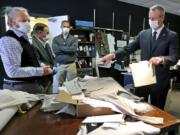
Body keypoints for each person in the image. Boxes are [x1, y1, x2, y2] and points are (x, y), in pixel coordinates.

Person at [101, 5, 179, 110]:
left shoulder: (171, 36)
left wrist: (162, 59)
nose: (150, 21)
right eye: (149, 18)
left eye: (153, 19)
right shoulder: (143, 34)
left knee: (157, 111)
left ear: (162, 17)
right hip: (142, 79)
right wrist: (113, 55)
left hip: (160, 81)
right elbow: (128, 48)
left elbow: (174, 57)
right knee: (139, 109)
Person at [0, 7, 52, 93]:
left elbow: (27, 59)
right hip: (19, 88)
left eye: (28, 20)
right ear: (11, 22)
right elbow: (13, 71)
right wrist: (40, 71)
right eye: (23, 21)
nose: (27, 24)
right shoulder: (9, 40)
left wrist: (40, 65)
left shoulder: (23, 37)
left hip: (30, 85)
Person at [52, 20, 78, 92]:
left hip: (71, 64)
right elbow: (55, 50)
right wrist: (67, 49)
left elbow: (73, 49)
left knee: (73, 84)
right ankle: (60, 98)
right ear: (61, 27)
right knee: (59, 84)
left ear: (70, 28)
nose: (66, 28)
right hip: (60, 65)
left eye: (67, 27)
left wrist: (61, 48)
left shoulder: (74, 39)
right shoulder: (56, 39)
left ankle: (72, 100)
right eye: (64, 26)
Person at [32, 23, 56, 93]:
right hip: (41, 79)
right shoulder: (33, 45)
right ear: (40, 32)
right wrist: (49, 68)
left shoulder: (46, 44)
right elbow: (37, 61)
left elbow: (52, 57)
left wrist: (54, 66)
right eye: (47, 32)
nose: (48, 34)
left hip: (49, 77)